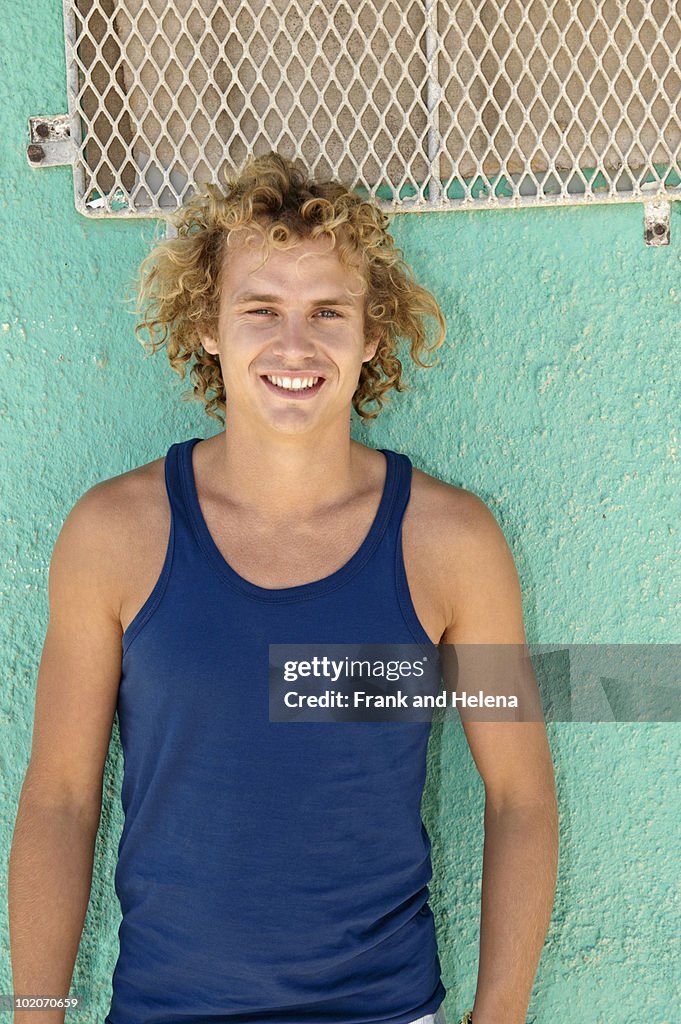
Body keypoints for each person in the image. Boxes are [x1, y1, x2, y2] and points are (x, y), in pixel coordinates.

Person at [8, 151, 558, 1024]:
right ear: (209, 326)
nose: (293, 345)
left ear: (371, 335)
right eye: (260, 309)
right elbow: (61, 797)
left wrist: (500, 1015)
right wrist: (37, 1014)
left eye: (327, 312)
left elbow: (520, 797)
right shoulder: (114, 535)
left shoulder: (449, 543)